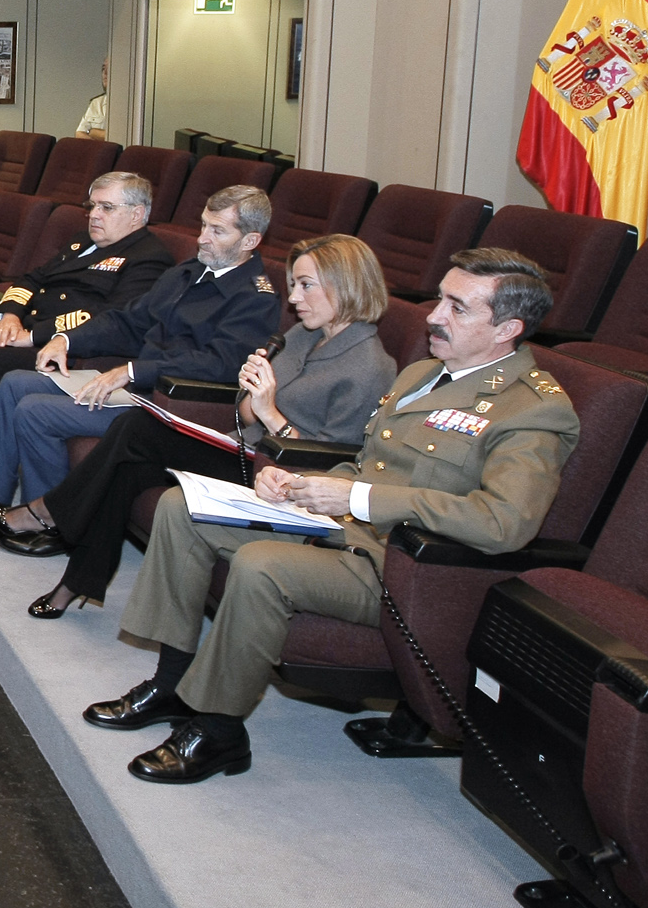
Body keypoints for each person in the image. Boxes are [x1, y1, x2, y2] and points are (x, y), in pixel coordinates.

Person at [87, 248, 576, 785]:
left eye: (457, 308)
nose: (434, 316)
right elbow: (366, 462)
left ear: (507, 328)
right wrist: (296, 482)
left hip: (401, 567)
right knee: (183, 508)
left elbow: (504, 523)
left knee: (261, 565)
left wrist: (357, 498)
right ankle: (171, 685)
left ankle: (218, 728)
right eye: (440, 299)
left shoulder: (533, 409)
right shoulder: (423, 373)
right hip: (339, 529)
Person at [0, 234, 397, 618]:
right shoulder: (302, 335)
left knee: (135, 430)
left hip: (282, 479)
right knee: (131, 462)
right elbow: (246, 413)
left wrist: (271, 413)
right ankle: (75, 581)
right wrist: (253, 397)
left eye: (306, 286)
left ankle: (47, 514)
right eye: (294, 285)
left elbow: (329, 465)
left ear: (345, 286)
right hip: (245, 449)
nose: (293, 299)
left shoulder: (369, 367)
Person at [0, 184, 281, 543]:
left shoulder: (255, 298)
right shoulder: (189, 271)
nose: (202, 238)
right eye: (203, 225)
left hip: (175, 405)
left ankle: (48, 523)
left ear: (250, 240)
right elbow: (127, 320)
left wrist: (131, 371)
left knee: (35, 409)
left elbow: (219, 365)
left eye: (217, 230)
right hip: (140, 387)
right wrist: (66, 339)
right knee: (15, 382)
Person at [0, 171, 173, 486]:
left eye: (106, 208)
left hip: (76, 351)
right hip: (32, 331)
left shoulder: (149, 259)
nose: (94, 215)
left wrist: (34, 336)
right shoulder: (81, 242)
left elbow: (110, 318)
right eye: (92, 206)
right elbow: (32, 278)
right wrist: (10, 316)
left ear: (136, 214)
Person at [75, 59, 108, 140]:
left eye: (110, 68)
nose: (105, 73)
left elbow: (119, 138)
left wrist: (93, 132)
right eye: (103, 68)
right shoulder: (96, 102)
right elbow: (79, 133)